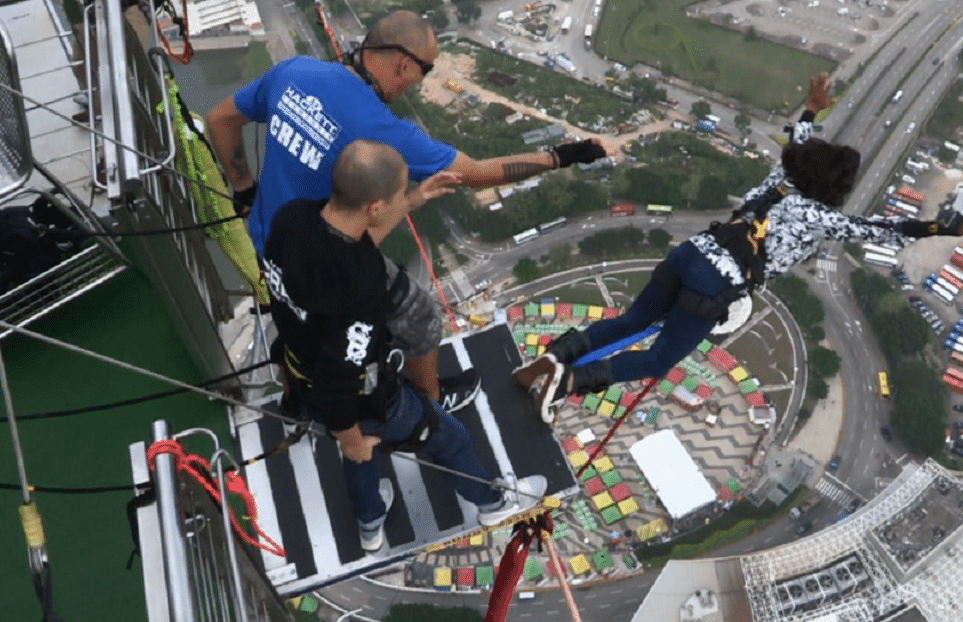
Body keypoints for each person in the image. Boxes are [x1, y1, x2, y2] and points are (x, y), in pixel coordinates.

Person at [205, 10, 606, 412]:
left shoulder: (293, 72)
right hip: (326, 266)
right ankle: (432, 401)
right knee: (423, 317)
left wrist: (244, 188)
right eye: (426, 71)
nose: (420, 81)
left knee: (292, 324)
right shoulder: (383, 130)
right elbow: (477, 173)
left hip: (266, 243)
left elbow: (220, 120)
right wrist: (564, 155)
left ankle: (294, 403)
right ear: (403, 64)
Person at [514, 72, 963, 422]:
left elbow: (800, 144)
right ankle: (566, 381)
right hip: (717, 284)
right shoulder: (818, 215)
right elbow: (875, 229)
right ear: (831, 190)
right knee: (658, 359)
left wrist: (809, 110)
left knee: (632, 320)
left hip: (691, 252)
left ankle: (553, 359)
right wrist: (934, 229)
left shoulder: (779, 181)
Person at [264, 139, 546, 551]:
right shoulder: (359, 284)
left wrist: (411, 199)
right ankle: (493, 502)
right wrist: (352, 435)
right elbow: (340, 378)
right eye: (395, 196)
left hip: (298, 368)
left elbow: (345, 242)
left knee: (360, 455)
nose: (400, 202)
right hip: (357, 397)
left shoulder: (294, 219)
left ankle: (370, 523)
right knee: (443, 437)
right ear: (374, 207)